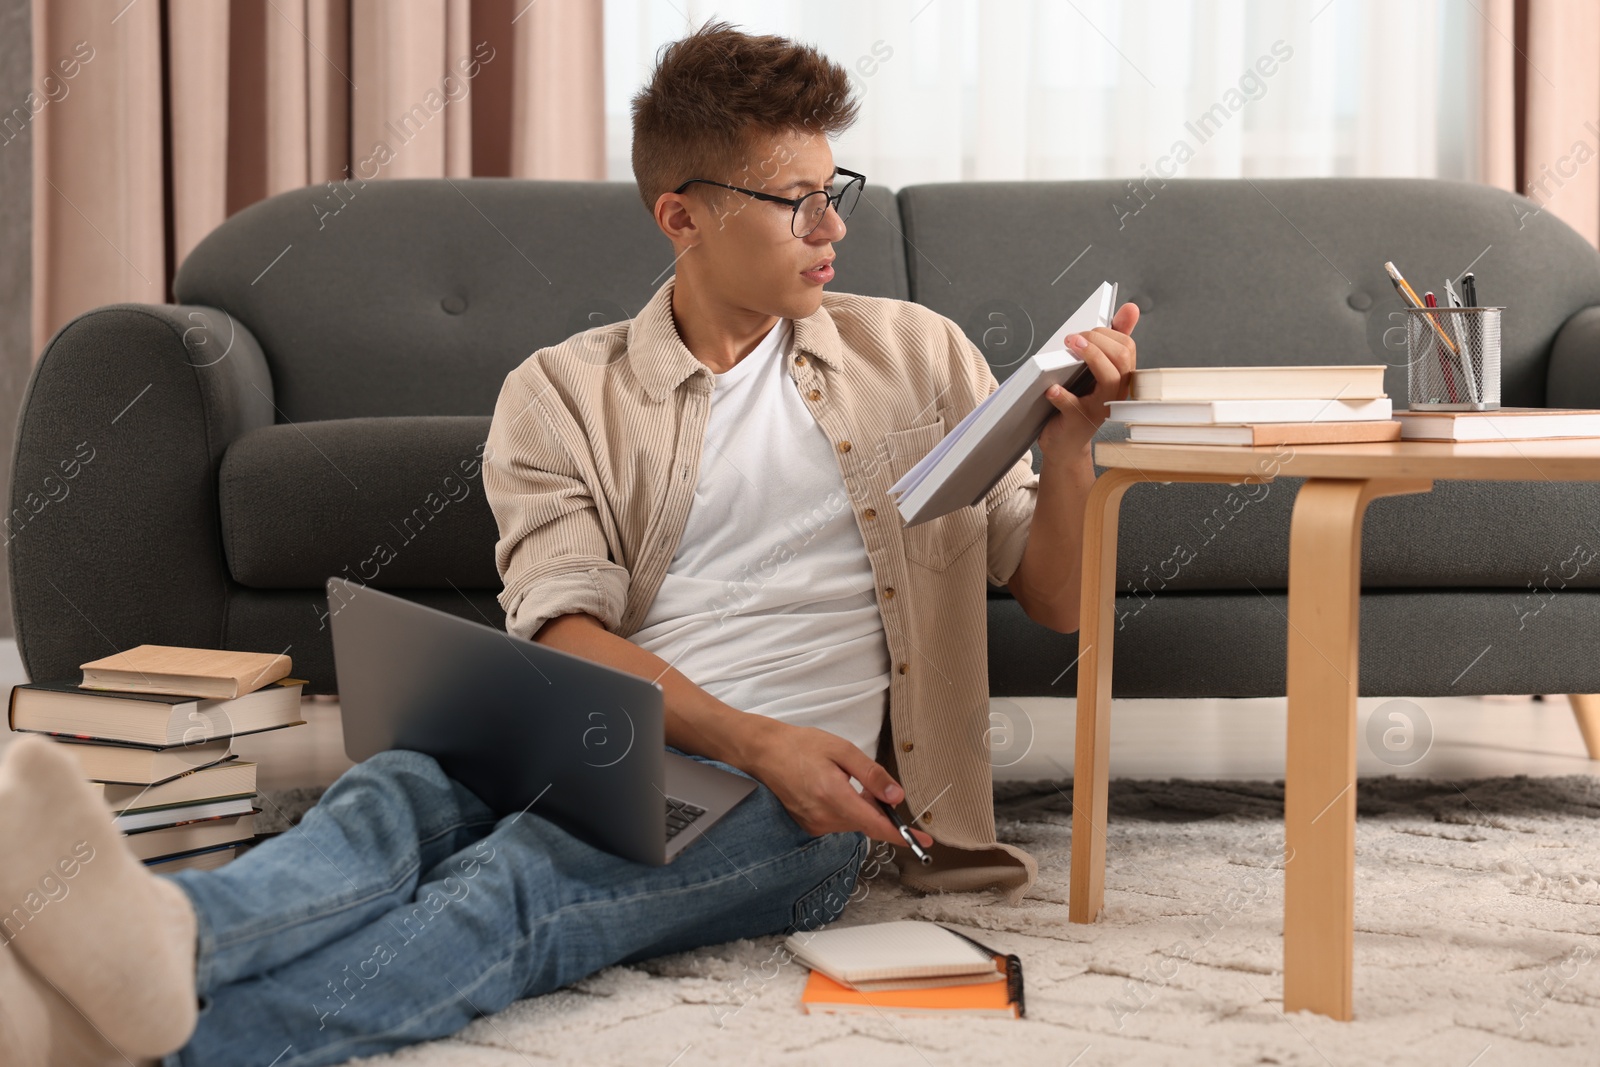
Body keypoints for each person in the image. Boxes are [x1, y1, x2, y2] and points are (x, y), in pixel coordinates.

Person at [0, 18, 1136, 1067]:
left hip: (803, 806)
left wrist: (1075, 445)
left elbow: (1057, 601)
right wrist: (747, 732)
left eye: (833, 188)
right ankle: (165, 936)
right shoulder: (560, 392)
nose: (831, 226)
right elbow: (565, 624)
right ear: (680, 215)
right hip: (609, 736)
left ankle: (148, 1044)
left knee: (512, 887)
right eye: (793, 199)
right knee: (387, 799)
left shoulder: (920, 356)